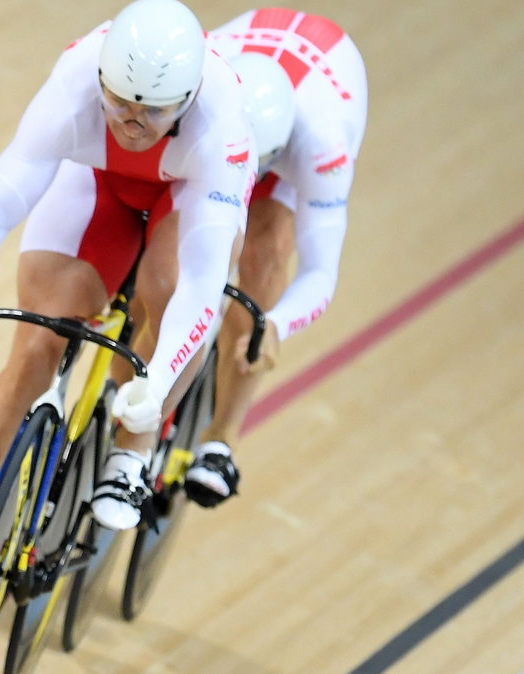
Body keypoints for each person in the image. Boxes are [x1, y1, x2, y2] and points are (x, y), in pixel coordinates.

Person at [0, 0, 255, 638]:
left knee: (168, 286)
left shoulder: (221, 125)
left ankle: (133, 451)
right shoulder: (73, 84)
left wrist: (159, 379)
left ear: (189, 96)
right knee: (37, 342)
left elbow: (203, 290)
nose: (134, 121)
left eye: (155, 110)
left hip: (187, 200)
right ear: (101, 78)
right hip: (98, 186)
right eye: (121, 101)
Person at [182, 9, 368, 506]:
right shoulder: (199, 80)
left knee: (264, 253)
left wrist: (276, 324)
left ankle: (219, 438)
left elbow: (319, 271)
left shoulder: (321, 145)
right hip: (235, 95)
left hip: (317, 96)